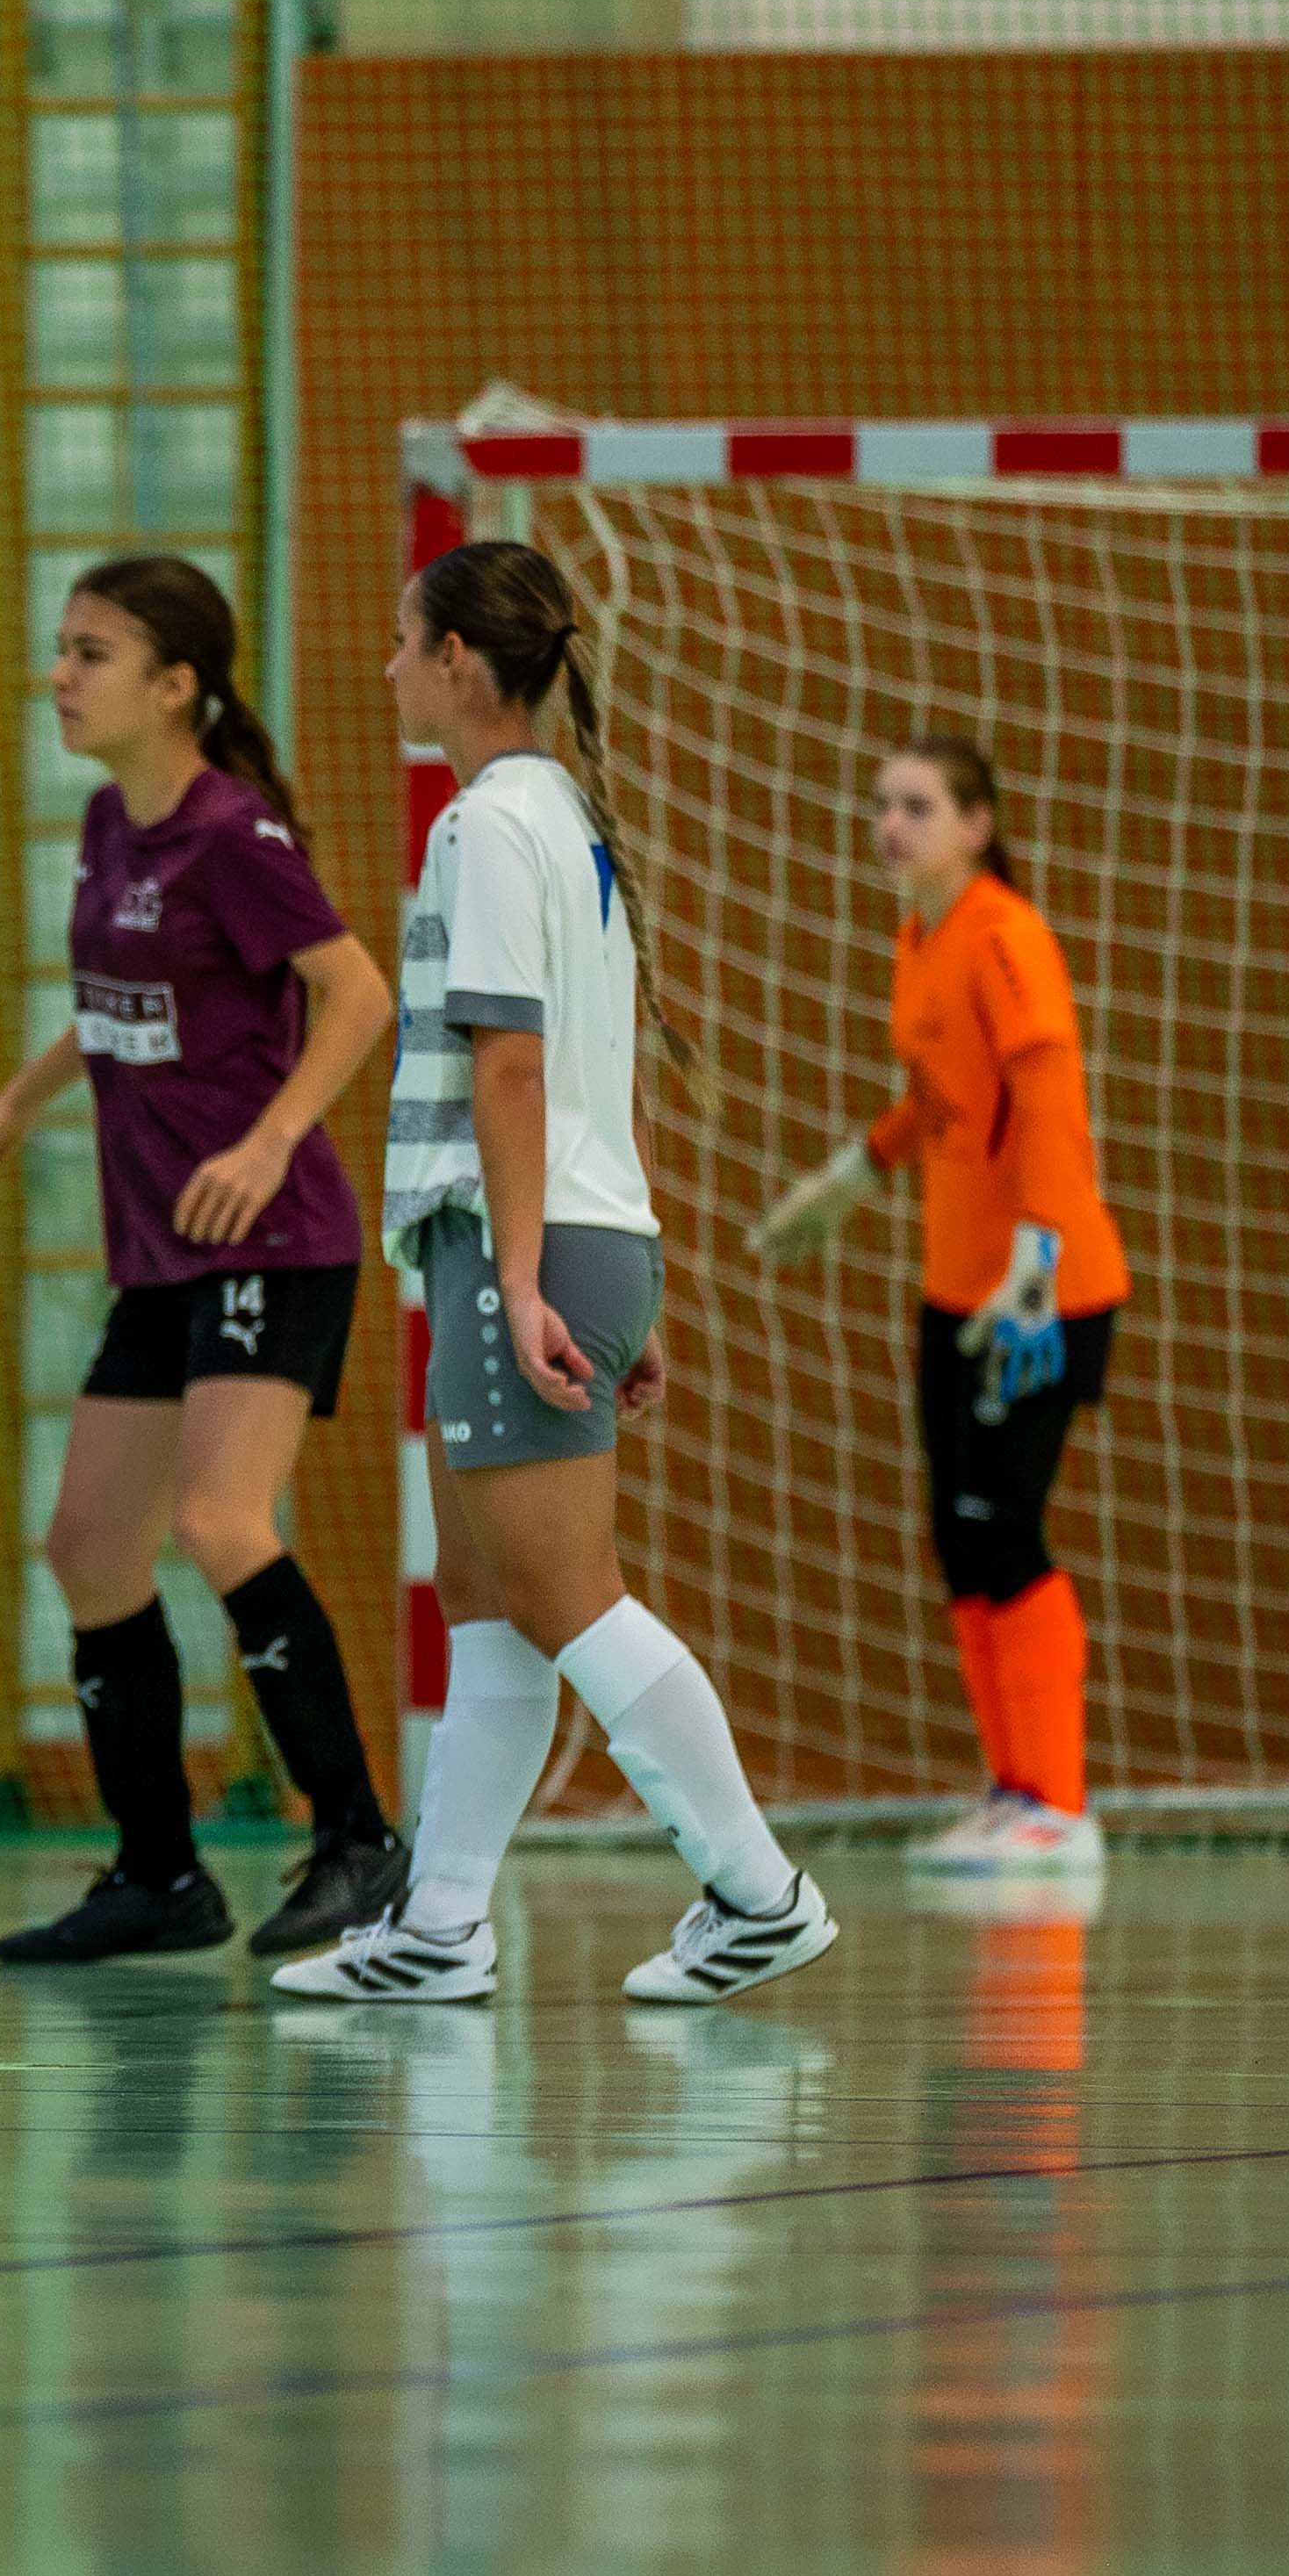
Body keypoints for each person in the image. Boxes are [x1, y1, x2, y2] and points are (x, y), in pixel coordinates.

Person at [275, 540, 838, 2011]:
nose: (386, 667)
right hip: (561, 1241)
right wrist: (599, 1280)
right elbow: (586, 1077)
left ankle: (759, 1894)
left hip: (516, 1246)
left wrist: (522, 1280)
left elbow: (514, 1066)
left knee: (566, 1593)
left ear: (457, 659)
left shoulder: (486, 826)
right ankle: (440, 1924)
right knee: (483, 1594)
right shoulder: (563, 820)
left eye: (403, 640)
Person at [0, 556, 414, 1965]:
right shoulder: (109, 825)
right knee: (89, 1547)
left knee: (219, 1520)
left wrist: (269, 1141)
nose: (59, 676)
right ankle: (159, 1875)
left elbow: (357, 994)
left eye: (90, 653)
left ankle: (358, 1842)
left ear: (174, 685)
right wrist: (11, 1111)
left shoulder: (229, 836)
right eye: (60, 647)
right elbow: (114, 1003)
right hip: (162, 1252)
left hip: (273, 1238)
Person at [747, 734, 1133, 1874]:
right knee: (958, 1541)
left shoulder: (1005, 936)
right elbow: (939, 1100)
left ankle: (1058, 1804)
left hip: (1040, 1294)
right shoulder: (919, 938)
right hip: (954, 1290)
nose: (890, 824)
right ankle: (1013, 1790)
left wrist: (1036, 1257)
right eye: (881, 804)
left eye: (917, 805)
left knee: (1003, 1529)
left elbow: (1045, 1099)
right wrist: (854, 1173)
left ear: (977, 823)